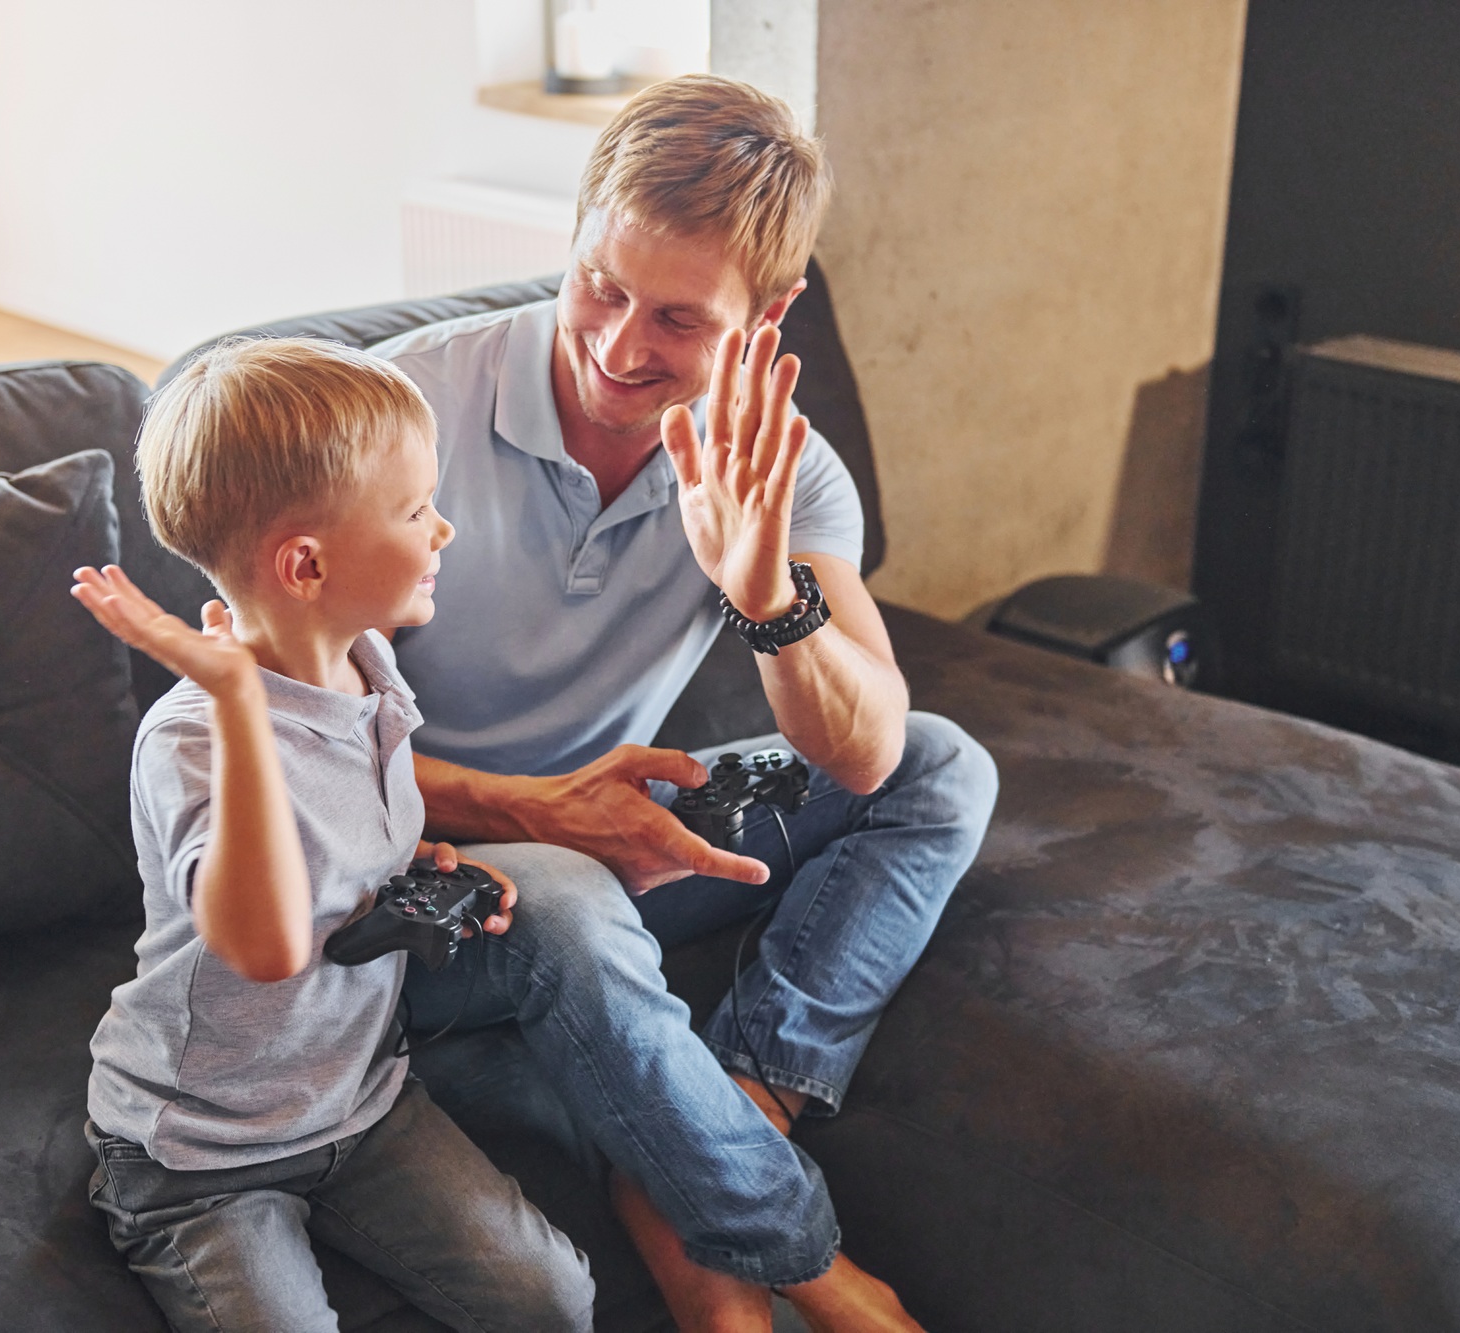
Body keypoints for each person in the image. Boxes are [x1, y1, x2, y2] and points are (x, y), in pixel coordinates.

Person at [369, 75, 1001, 1331]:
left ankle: (728, 1102)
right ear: (573, 236)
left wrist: (762, 590)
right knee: (561, 896)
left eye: (673, 318)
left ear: (766, 315)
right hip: (409, 877)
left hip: (608, 846)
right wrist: (536, 813)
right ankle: (800, 1258)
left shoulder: (785, 475)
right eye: (599, 286)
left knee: (939, 766)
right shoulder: (393, 415)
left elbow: (865, 753)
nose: (614, 347)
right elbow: (277, 761)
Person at [69, 338, 595, 1333]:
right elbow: (263, 947)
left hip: (360, 1102)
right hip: (200, 1151)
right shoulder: (191, 737)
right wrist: (232, 698)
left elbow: (341, 840)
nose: (441, 527)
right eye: (410, 511)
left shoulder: (371, 666)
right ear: (305, 563)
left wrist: (409, 872)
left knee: (554, 1301)